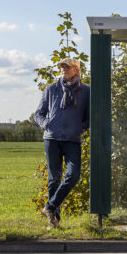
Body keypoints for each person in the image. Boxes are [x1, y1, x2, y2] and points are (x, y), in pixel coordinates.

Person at [33, 57, 90, 227]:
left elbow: (89, 116)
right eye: (62, 66)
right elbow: (38, 114)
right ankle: (54, 220)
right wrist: (47, 124)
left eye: (68, 66)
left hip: (72, 140)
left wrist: (81, 128)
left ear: (76, 70)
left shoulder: (86, 91)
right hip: (52, 139)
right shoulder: (51, 88)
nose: (64, 69)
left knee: (73, 175)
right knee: (54, 179)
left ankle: (49, 207)